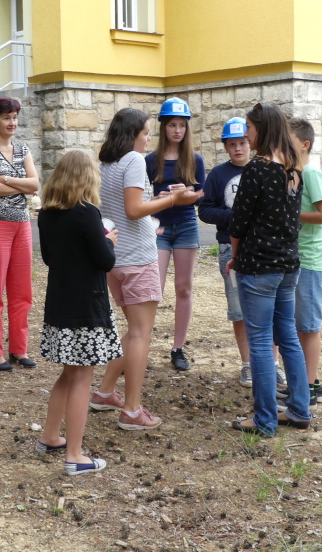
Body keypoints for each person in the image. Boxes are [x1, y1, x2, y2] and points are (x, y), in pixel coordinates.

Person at [90, 108, 202, 431]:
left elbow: (123, 209)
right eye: (145, 132)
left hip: (116, 258)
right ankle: (132, 410)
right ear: (132, 135)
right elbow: (134, 209)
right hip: (138, 258)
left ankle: (105, 393)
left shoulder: (107, 163)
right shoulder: (135, 160)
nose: (149, 138)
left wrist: (160, 200)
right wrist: (174, 200)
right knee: (141, 334)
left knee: (132, 331)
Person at [227, 102, 311, 437]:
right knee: (287, 336)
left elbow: (238, 222)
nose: (246, 135)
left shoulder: (257, 168)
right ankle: (300, 409)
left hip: (259, 267)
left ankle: (264, 419)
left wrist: (235, 256)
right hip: (288, 266)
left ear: (262, 129)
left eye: (249, 128)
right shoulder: (294, 169)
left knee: (260, 341)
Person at [35, 150, 121, 476]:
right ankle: (74, 455)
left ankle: (50, 437)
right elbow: (106, 261)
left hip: (59, 304)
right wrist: (109, 240)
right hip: (86, 306)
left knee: (69, 374)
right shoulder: (87, 213)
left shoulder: (47, 214)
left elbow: (48, 258)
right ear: (87, 179)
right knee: (83, 378)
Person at [198, 118, 287, 388]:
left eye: (242, 143)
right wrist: (236, 217)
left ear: (251, 143)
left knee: (269, 307)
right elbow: (205, 210)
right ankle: (248, 363)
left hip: (261, 249)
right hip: (229, 248)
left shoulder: (265, 169)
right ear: (226, 147)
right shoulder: (218, 175)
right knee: (238, 308)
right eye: (232, 144)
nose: (238, 148)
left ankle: (272, 364)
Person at [0, 97, 40, 371]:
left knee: (22, 292)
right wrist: (22, 185)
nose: (12, 122)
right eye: (6, 118)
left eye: (15, 117)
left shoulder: (23, 148)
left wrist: (7, 179)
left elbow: (36, 184)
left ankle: (19, 349)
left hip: (22, 225)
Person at [144, 97, 205, 372]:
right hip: (158, 227)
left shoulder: (195, 159)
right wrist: (163, 199)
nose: (177, 130)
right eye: (172, 125)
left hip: (186, 226)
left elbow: (202, 196)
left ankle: (178, 348)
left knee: (183, 288)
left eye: (181, 125)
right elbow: (141, 199)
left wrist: (187, 194)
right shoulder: (150, 160)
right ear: (163, 127)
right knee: (152, 290)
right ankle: (141, 343)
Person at [288, 117, 322, 408]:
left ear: (304, 145)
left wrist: (290, 214)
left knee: (308, 326)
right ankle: (302, 383)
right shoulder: (294, 173)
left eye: (288, 141)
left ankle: (311, 386)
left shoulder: (312, 173)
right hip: (296, 258)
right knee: (296, 324)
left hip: (312, 261)